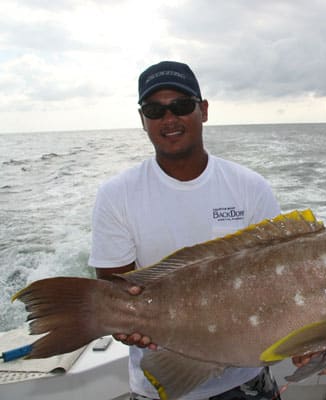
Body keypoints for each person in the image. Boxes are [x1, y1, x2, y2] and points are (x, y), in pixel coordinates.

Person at [88, 61, 282, 400]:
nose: (169, 119)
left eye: (181, 105)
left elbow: (280, 284)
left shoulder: (252, 188)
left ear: (203, 111)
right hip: (160, 383)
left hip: (245, 381)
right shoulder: (115, 195)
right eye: (155, 110)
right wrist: (127, 324)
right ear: (142, 120)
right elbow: (113, 292)